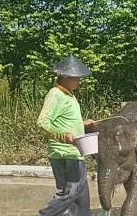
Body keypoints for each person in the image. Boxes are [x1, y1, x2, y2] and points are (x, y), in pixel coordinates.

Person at [37, 54, 95, 216]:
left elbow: (64, 120)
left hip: (76, 153)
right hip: (64, 153)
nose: (79, 81)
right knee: (69, 193)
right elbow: (43, 122)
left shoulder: (68, 95)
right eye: (77, 78)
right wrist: (65, 136)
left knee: (81, 198)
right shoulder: (55, 94)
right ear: (66, 77)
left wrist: (82, 124)